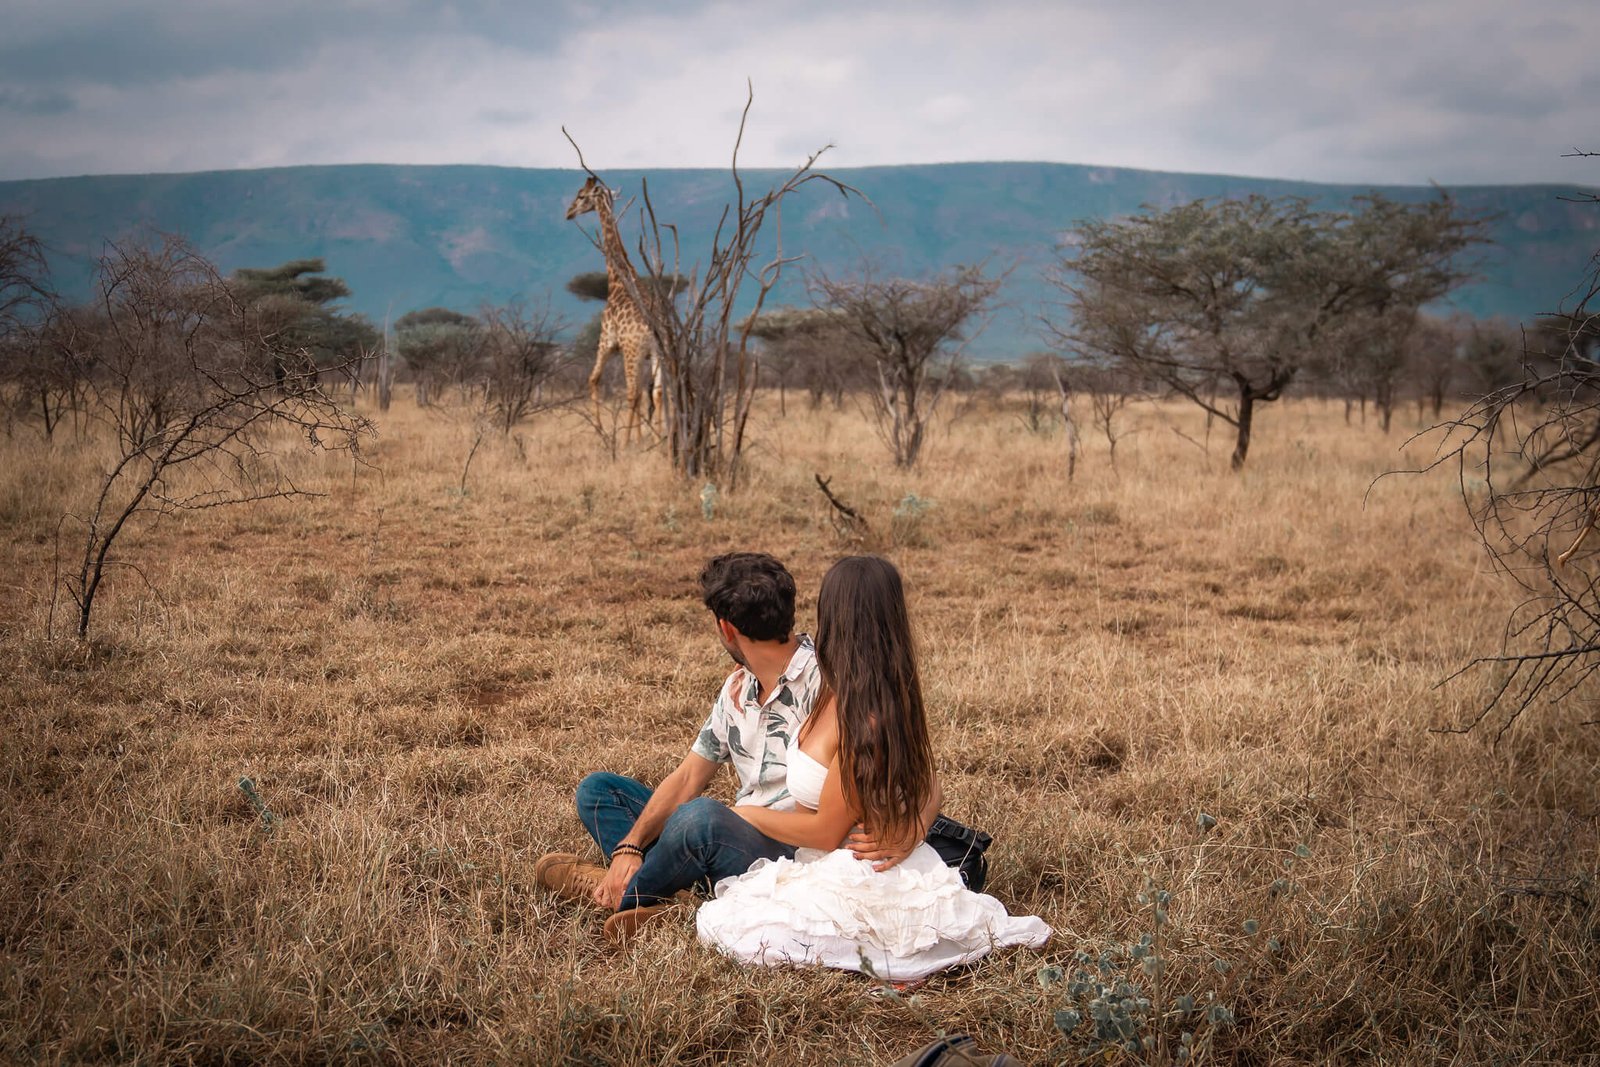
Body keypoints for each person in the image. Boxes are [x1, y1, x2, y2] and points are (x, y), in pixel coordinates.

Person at [532, 552, 921, 943]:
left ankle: (623, 895)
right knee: (599, 792)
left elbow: (898, 763)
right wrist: (629, 847)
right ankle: (670, 888)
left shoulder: (832, 683)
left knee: (700, 819)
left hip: (789, 850)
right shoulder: (738, 687)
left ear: (726, 629)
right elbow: (688, 777)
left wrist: (916, 823)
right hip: (736, 829)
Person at [696, 555, 1051, 982]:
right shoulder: (849, 689)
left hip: (854, 864)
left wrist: (741, 813)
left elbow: (828, 832)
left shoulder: (863, 715)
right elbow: (928, 782)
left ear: (836, 618)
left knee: (740, 925)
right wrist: (919, 824)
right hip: (824, 856)